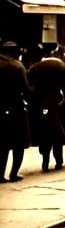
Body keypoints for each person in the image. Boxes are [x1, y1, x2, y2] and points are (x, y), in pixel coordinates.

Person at [27, 42, 65, 172]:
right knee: (58, 132)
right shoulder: (59, 65)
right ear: (53, 52)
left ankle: (45, 161)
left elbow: (30, 87)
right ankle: (58, 160)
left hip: (41, 103)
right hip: (57, 102)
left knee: (44, 132)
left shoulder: (35, 67)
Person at [0, 40, 31, 182]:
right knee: (19, 144)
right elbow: (26, 89)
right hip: (16, 109)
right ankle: (13, 174)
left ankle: (0, 175)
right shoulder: (18, 66)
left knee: (2, 144)